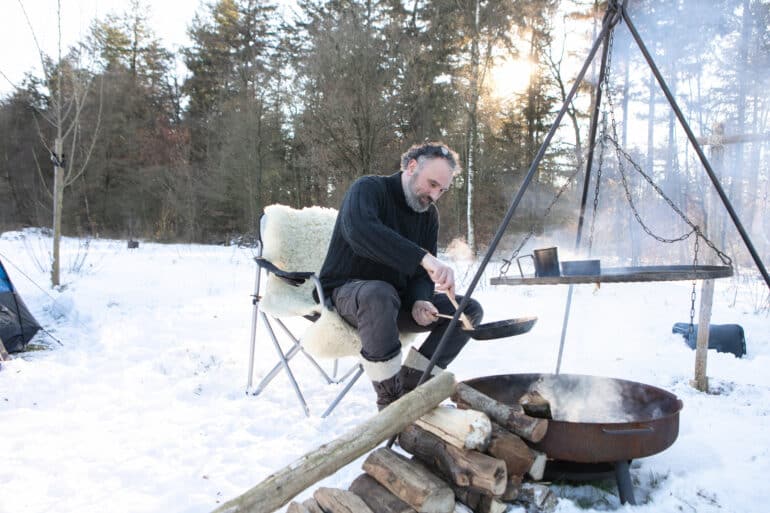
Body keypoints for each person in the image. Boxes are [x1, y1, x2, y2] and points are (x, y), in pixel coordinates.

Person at [318, 142, 483, 409]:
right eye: (431, 184)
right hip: (350, 293)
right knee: (379, 292)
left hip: (398, 300)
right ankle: (391, 401)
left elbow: (421, 275)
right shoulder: (369, 189)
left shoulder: (428, 215)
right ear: (411, 167)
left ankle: (413, 389)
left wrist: (420, 299)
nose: (435, 195)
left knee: (468, 311)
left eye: (441, 190)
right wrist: (422, 256)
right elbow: (360, 232)